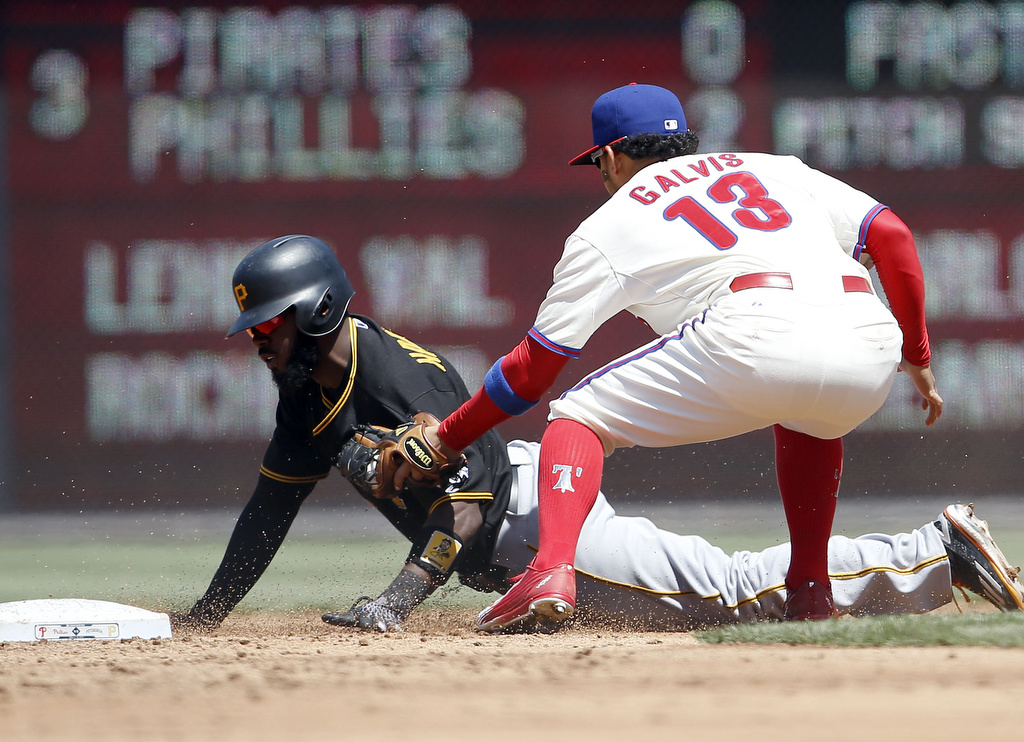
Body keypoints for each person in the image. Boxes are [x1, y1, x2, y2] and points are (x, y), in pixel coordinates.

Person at [170, 235, 1021, 635]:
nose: (258, 342)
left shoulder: (397, 373)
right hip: (522, 515)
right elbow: (265, 516)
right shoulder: (302, 398)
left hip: (536, 520)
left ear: (316, 312)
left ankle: (934, 551)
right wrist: (210, 616)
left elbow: (467, 497)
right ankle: (930, 552)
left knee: (728, 594)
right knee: (717, 595)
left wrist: (395, 603)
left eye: (267, 327)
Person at [403, 83, 944, 633]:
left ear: (611, 156)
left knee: (576, 418)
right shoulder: (774, 167)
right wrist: (917, 353)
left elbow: (529, 373)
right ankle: (810, 589)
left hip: (756, 325)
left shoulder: (608, 225)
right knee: (812, 414)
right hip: (871, 339)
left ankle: (550, 570)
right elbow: (891, 234)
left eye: (599, 165)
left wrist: (449, 436)